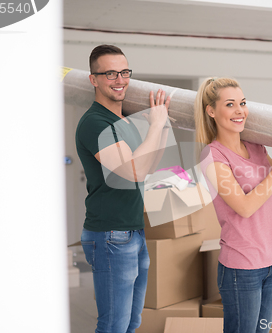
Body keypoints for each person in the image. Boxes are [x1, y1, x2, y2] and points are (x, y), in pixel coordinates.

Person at [75, 44, 170, 333]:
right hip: (109, 235)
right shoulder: (94, 123)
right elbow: (133, 171)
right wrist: (155, 124)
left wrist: (162, 127)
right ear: (94, 79)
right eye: (111, 73)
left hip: (133, 231)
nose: (120, 80)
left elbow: (149, 166)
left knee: (132, 321)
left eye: (125, 72)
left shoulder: (122, 122)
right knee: (113, 324)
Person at [195, 77, 272, 333]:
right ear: (211, 110)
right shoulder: (212, 156)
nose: (240, 110)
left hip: (271, 262)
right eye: (230, 104)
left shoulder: (254, 146)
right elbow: (243, 206)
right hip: (240, 268)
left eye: (242, 103)